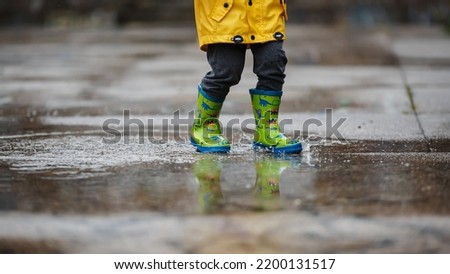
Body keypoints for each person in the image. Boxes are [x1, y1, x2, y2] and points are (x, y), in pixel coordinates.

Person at [190, 0, 302, 154]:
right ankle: (204, 126)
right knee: (227, 71)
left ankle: (267, 130)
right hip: (224, 15)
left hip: (266, 10)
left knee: (273, 64)